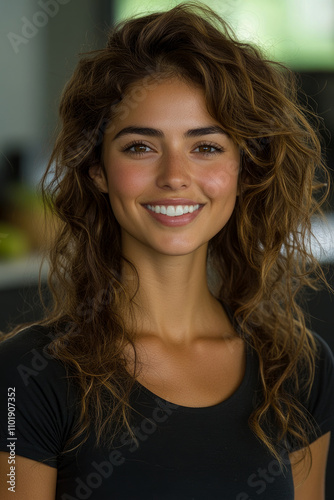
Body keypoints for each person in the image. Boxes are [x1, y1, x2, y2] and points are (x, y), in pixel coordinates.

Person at [0, 2, 334, 499]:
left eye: (206, 147)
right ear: (97, 169)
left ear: (244, 170)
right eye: (141, 146)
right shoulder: (27, 375)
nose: (175, 176)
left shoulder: (298, 367)